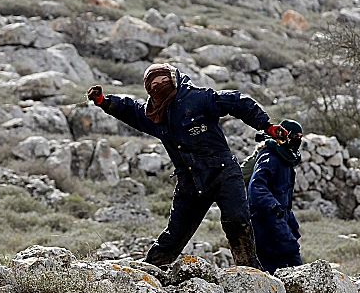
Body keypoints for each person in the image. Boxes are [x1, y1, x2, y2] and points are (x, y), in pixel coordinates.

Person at [87, 63, 289, 269]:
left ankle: (250, 273)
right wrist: (104, 101)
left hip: (223, 173)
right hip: (190, 181)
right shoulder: (154, 116)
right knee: (175, 235)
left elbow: (237, 101)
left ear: (174, 79)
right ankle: (148, 273)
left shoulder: (198, 98)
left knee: (237, 222)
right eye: (153, 84)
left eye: (163, 80)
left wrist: (266, 126)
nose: (159, 86)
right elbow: (129, 109)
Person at [248, 119, 304, 273]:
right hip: (266, 220)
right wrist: (275, 208)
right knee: (289, 255)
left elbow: (283, 194)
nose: (298, 140)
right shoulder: (270, 157)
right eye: (296, 137)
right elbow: (256, 187)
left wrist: (290, 220)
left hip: (279, 217)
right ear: (286, 136)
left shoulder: (285, 158)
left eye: (301, 137)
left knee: (286, 257)